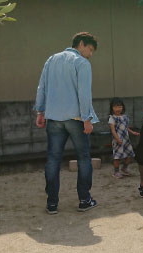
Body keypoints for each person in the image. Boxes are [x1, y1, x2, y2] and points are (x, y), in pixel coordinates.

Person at [35, 32, 99, 214]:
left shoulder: (51, 60)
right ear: (81, 44)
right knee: (84, 158)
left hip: (53, 117)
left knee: (53, 159)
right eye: (90, 49)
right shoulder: (82, 63)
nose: (90, 54)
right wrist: (87, 119)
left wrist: (40, 111)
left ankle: (52, 203)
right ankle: (84, 200)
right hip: (76, 119)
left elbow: (42, 86)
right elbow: (84, 94)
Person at [108, 97, 139, 178]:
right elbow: (113, 130)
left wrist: (132, 132)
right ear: (112, 108)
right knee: (117, 157)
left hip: (126, 140)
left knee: (129, 155)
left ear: (123, 107)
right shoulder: (112, 118)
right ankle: (116, 172)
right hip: (117, 140)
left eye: (120, 107)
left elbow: (126, 127)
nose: (118, 109)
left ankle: (124, 169)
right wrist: (117, 139)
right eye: (115, 107)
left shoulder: (125, 117)